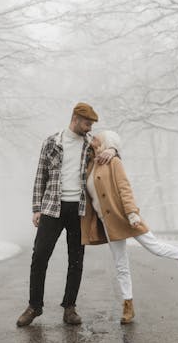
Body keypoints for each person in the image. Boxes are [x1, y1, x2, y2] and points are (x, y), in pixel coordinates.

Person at [81, 130, 178, 325]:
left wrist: (132, 213)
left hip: (126, 216)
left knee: (153, 246)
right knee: (121, 264)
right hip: (108, 222)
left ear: (106, 142)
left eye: (98, 136)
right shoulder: (89, 163)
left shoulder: (113, 162)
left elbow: (125, 188)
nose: (93, 137)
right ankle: (128, 305)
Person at [16, 103, 116, 327]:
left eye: (91, 124)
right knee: (39, 256)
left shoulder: (92, 144)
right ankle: (34, 306)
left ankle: (69, 308)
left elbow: (115, 146)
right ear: (76, 118)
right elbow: (40, 175)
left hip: (79, 210)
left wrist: (113, 150)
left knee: (76, 260)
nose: (90, 127)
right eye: (87, 123)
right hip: (52, 207)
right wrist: (36, 208)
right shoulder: (52, 142)